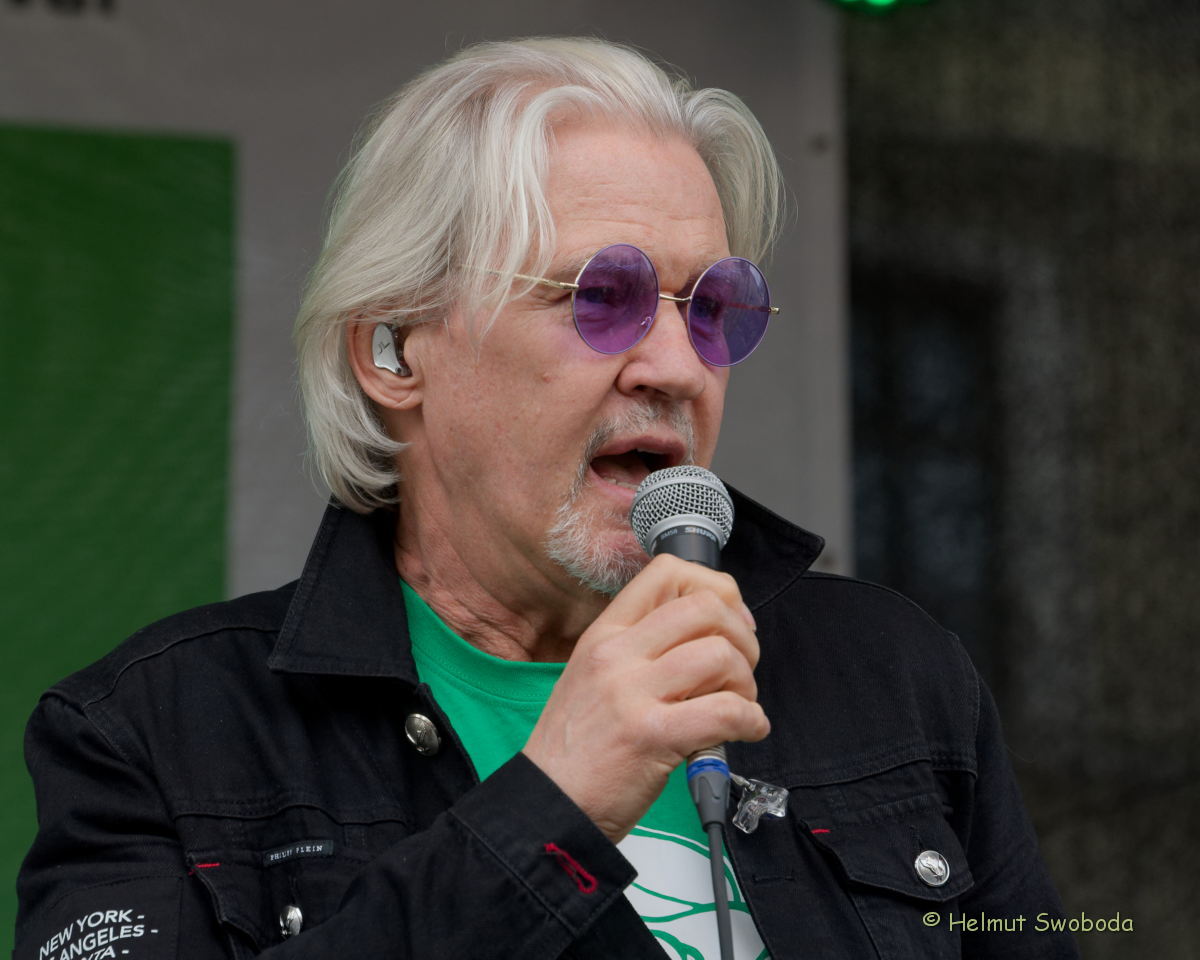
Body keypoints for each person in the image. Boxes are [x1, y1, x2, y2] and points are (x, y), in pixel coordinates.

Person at [14, 37, 1078, 960]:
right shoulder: (157, 734)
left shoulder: (893, 675)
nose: (679, 365)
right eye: (603, 297)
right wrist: (553, 807)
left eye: (713, 308)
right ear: (393, 351)